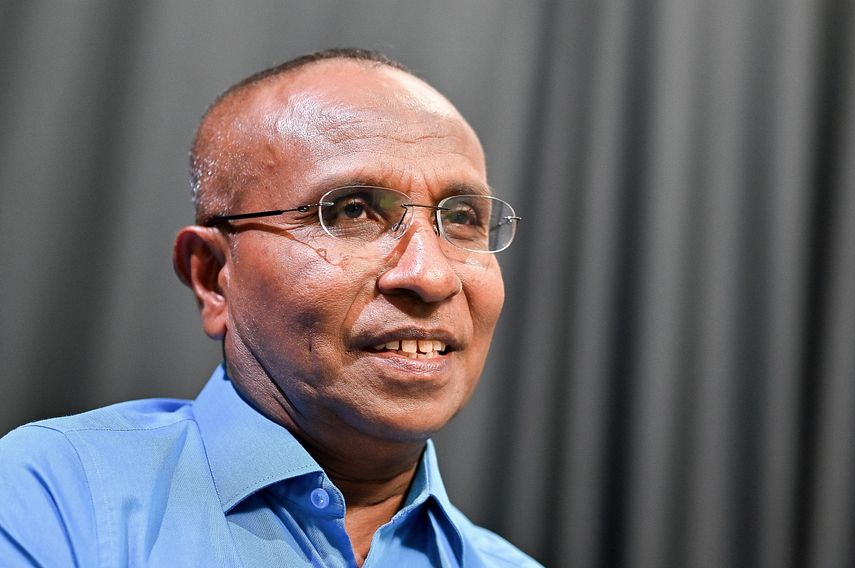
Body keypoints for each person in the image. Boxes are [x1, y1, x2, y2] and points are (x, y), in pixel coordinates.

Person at [0, 48, 537, 567]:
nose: (431, 276)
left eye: (462, 218)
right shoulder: (55, 499)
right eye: (352, 211)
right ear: (213, 276)